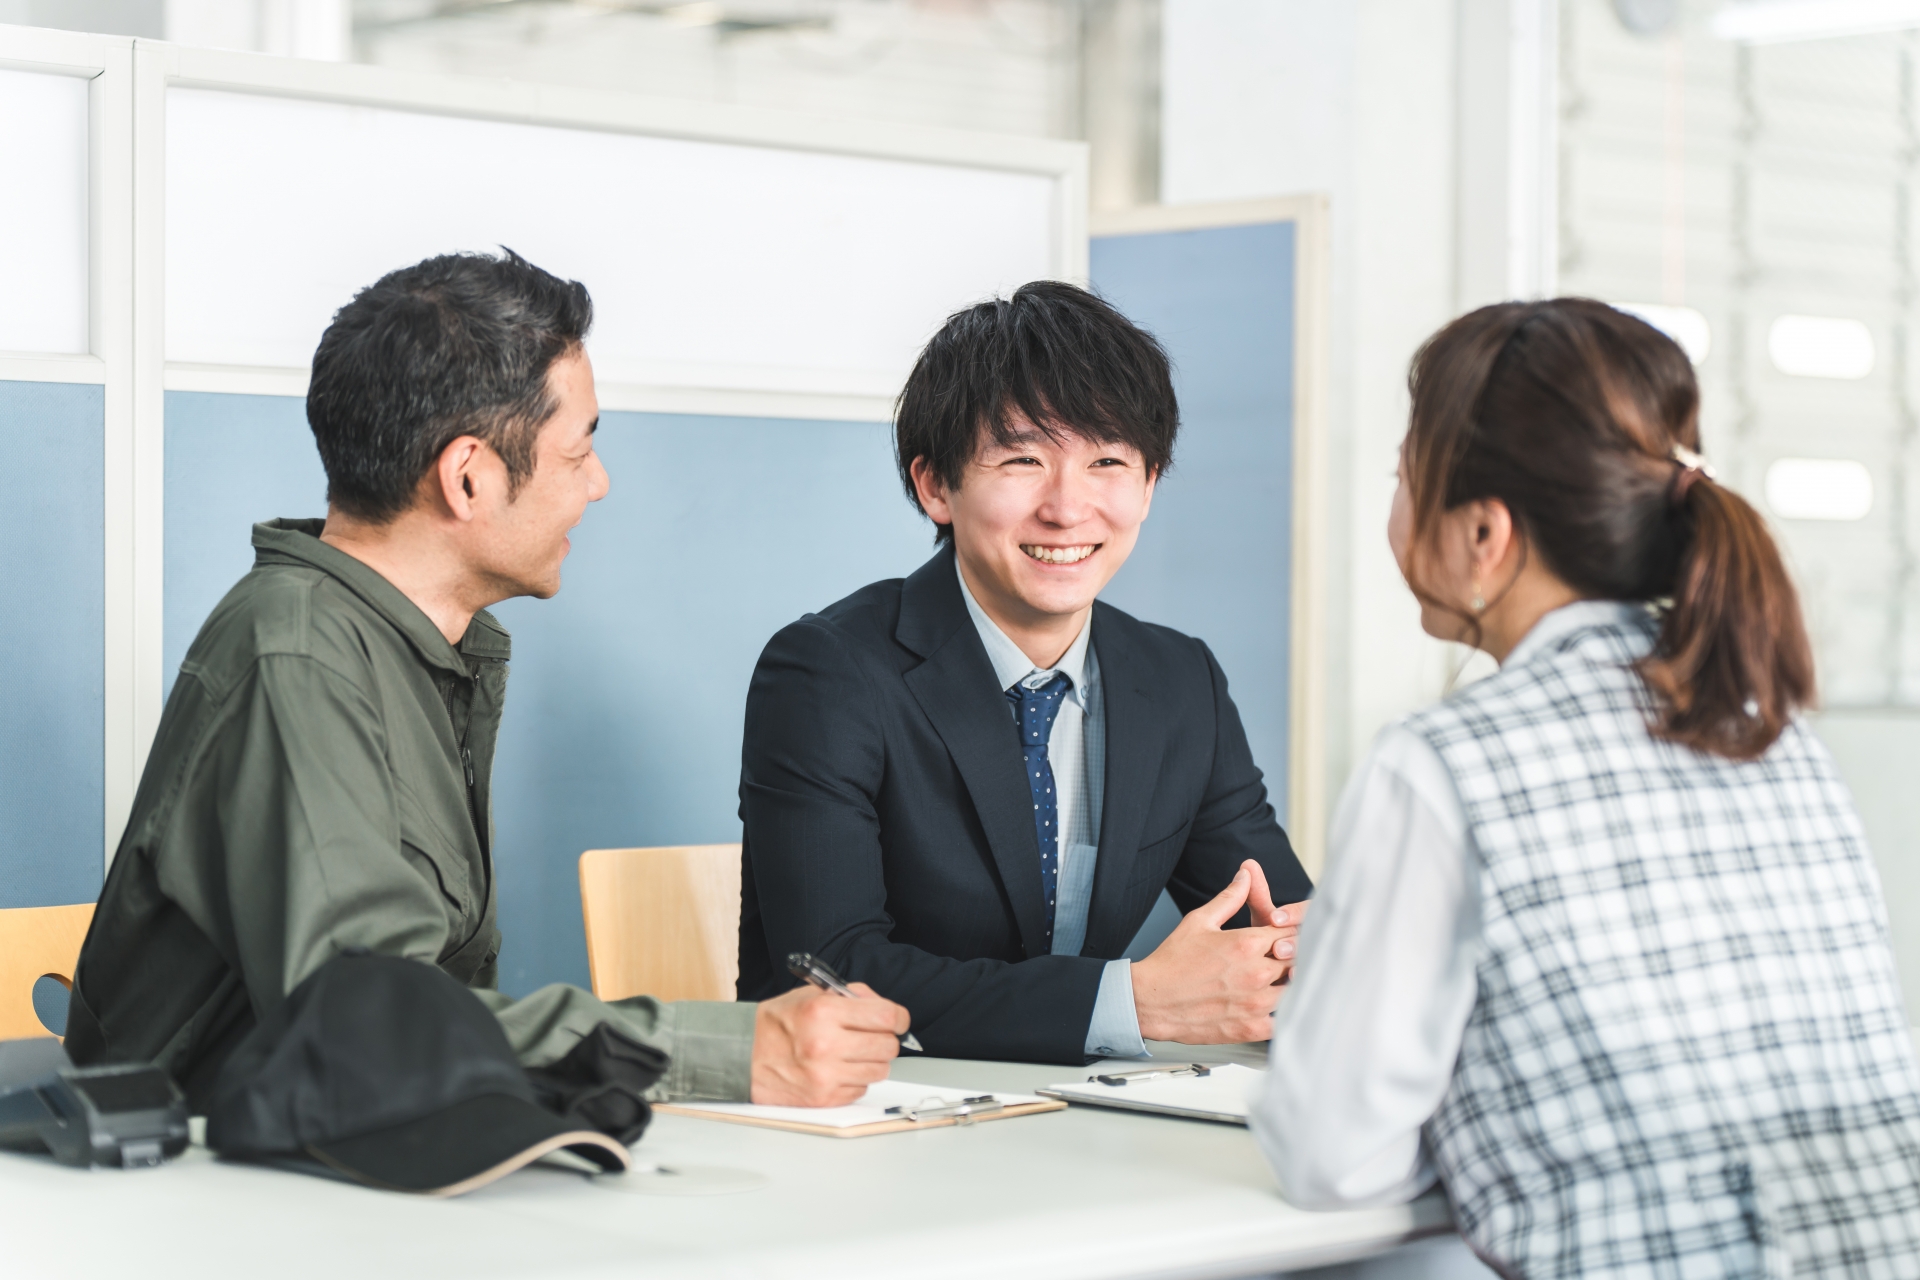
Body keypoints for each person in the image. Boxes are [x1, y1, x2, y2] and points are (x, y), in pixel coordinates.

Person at [66, 250, 908, 1112]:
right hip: (220, 1192)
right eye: (578, 451)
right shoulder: (298, 655)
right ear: (469, 476)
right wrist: (726, 1054)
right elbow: (361, 1024)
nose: (599, 482)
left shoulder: (417, 646)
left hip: (361, 1153)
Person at [1254, 299, 1920, 1276]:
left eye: (1405, 475)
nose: (1394, 503)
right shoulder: (1767, 729)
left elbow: (1333, 1156)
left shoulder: (1445, 762)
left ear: (1484, 531)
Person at [736, 281, 1312, 1064]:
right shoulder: (830, 673)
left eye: (1109, 460)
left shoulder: (1180, 680)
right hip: (881, 1116)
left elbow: (1275, 922)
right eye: (1022, 460)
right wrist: (1130, 1002)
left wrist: (1306, 952)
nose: (1068, 508)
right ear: (935, 484)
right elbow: (834, 973)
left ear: (1148, 486)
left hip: (1089, 1126)